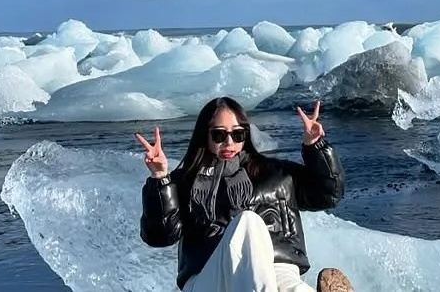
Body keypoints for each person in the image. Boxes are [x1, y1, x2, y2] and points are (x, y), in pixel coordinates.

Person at [136, 96, 354, 292]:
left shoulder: (276, 174)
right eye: (219, 134)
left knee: (294, 289)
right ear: (205, 135)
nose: (229, 142)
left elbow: (328, 195)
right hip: (210, 276)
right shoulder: (185, 182)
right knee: (248, 221)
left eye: (237, 134)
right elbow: (160, 236)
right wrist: (160, 177)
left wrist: (315, 146)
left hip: (278, 268)